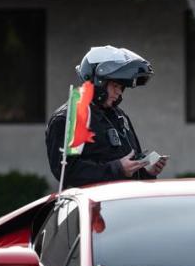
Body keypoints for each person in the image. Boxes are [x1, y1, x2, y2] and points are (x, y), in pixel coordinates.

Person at [46, 46, 168, 188]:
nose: (119, 93)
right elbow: (67, 172)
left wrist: (147, 171)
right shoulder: (72, 118)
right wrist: (117, 169)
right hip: (94, 207)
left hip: (124, 204)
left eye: (122, 88)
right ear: (98, 82)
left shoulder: (119, 116)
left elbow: (129, 168)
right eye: (115, 86)